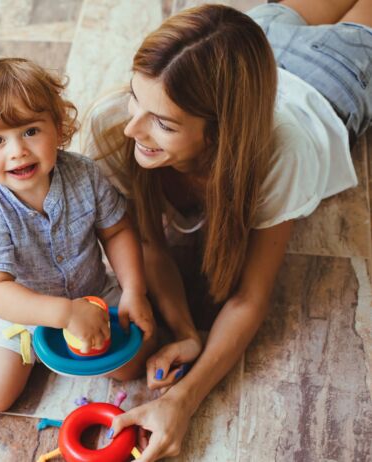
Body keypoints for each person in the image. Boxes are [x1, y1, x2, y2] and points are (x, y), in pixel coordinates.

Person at [85, 1, 372, 460]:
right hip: (256, 40)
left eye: (163, 123)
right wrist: (185, 331)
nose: (132, 128)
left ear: (218, 136)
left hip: (328, 77)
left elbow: (250, 297)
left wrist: (184, 400)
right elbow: (144, 241)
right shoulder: (115, 120)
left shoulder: (282, 155)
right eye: (136, 96)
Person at [0, 57, 157, 412]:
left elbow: (117, 231)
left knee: (137, 358)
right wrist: (64, 314)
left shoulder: (84, 174)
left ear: (58, 126)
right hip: (14, 311)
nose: (17, 151)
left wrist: (134, 290)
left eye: (30, 131)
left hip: (91, 293)